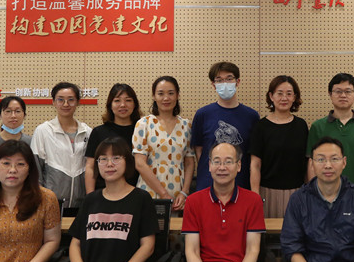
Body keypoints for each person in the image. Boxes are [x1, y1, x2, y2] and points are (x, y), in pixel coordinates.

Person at [53, 139, 158, 262]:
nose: (109, 164)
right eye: (103, 159)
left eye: (116, 158)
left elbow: (148, 247)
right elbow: (75, 244)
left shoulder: (141, 199)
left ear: (127, 161)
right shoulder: (91, 200)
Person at [182, 142, 266, 262]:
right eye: (217, 161)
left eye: (228, 161)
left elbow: (252, 250)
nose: (222, 167)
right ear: (209, 166)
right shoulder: (193, 201)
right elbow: (191, 251)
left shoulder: (253, 201)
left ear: (238, 166)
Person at [191, 62, 260, 192]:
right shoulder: (202, 114)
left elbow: (253, 154)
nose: (225, 83)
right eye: (219, 80)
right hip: (208, 184)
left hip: (241, 184)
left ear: (237, 82)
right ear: (213, 85)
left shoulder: (252, 116)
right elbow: (199, 150)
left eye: (229, 79)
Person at [306, 73, 354, 199]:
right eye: (338, 91)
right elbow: (311, 164)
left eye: (348, 91)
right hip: (325, 194)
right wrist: (315, 195)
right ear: (330, 94)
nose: (343, 95)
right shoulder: (318, 126)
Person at [250, 75, 309, 217]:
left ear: (294, 97)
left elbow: (307, 163)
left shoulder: (301, 126)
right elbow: (255, 164)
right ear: (271, 96)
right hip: (267, 192)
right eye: (279, 93)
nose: (284, 98)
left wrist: (309, 191)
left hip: (297, 192)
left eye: (289, 94)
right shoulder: (261, 127)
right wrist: (255, 194)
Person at [132, 76, 195, 210]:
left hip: (178, 195)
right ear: (154, 96)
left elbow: (189, 162)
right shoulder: (144, 124)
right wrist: (164, 194)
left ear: (177, 95)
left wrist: (184, 192)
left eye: (171, 93)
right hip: (148, 192)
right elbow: (140, 163)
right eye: (160, 93)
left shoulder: (186, 125)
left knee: (176, 224)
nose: (166, 98)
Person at [31, 82, 92, 211]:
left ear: (78, 102)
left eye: (71, 100)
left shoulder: (87, 131)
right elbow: (36, 171)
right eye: (60, 100)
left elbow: (91, 168)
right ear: (53, 102)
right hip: (51, 204)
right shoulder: (43, 131)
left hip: (81, 204)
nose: (65, 104)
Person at [85, 83, 142, 193]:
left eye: (128, 100)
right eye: (117, 101)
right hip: (103, 193)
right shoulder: (98, 132)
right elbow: (90, 167)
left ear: (135, 104)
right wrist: (90, 196)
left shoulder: (142, 131)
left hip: (136, 193)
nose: (123, 105)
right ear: (110, 105)